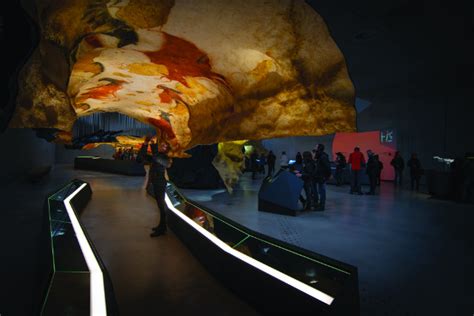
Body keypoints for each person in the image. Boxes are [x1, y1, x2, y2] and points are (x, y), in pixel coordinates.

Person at [137, 135, 172, 237]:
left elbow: (157, 157)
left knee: (161, 206)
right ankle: (162, 226)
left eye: (165, 146)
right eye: (162, 145)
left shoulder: (165, 158)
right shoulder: (157, 156)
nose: (162, 147)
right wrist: (145, 144)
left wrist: (154, 145)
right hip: (156, 183)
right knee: (160, 206)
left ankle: (162, 228)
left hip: (160, 184)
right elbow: (140, 158)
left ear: (167, 149)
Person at [313, 144, 331, 210]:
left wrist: (328, 175)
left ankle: (321, 206)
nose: (314, 147)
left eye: (316, 146)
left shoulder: (323, 156)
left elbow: (327, 167)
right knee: (321, 191)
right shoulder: (319, 155)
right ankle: (320, 204)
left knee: (322, 191)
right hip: (319, 176)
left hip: (322, 176)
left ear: (319, 148)